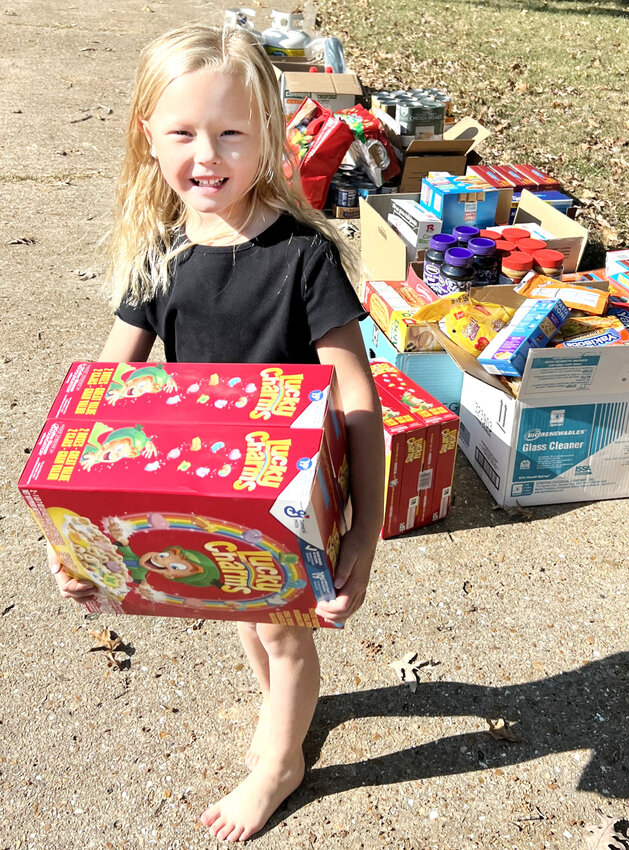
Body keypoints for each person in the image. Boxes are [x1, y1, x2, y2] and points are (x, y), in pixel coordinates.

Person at [47, 23, 384, 844]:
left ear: (267, 135)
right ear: (146, 136)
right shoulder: (160, 255)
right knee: (246, 615)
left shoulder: (302, 257)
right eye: (184, 133)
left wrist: (364, 538)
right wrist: (71, 541)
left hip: (295, 489)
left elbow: (359, 400)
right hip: (214, 493)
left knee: (281, 625)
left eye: (232, 133)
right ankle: (280, 713)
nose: (209, 155)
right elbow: (96, 409)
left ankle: (279, 762)